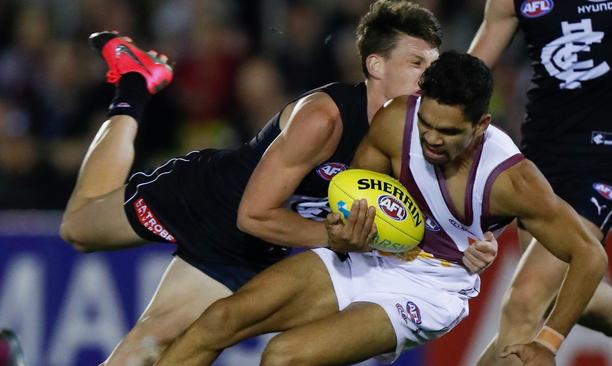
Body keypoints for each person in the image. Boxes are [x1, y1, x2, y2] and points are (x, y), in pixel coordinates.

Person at [58, 1, 497, 365]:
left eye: (433, 65)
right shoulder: (324, 118)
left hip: (267, 242)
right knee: (78, 229)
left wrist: (478, 243)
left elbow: (443, 205)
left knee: (155, 341)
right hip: (212, 203)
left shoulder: (419, 132)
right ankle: (134, 85)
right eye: (417, 63)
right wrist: (337, 239)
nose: (428, 77)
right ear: (375, 65)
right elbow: (253, 214)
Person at [153, 51, 607, 366]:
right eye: (426, 121)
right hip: (373, 254)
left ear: (481, 124)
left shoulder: (511, 181)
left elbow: (590, 255)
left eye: (448, 132)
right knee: (218, 320)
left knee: (284, 356)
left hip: (430, 288)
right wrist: (346, 228)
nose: (430, 137)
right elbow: (353, 193)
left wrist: (549, 342)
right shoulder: (396, 121)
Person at [468, 0, 612, 364]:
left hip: (607, 157)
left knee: (524, 301)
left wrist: (549, 343)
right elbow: (467, 76)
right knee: (548, 294)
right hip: (539, 162)